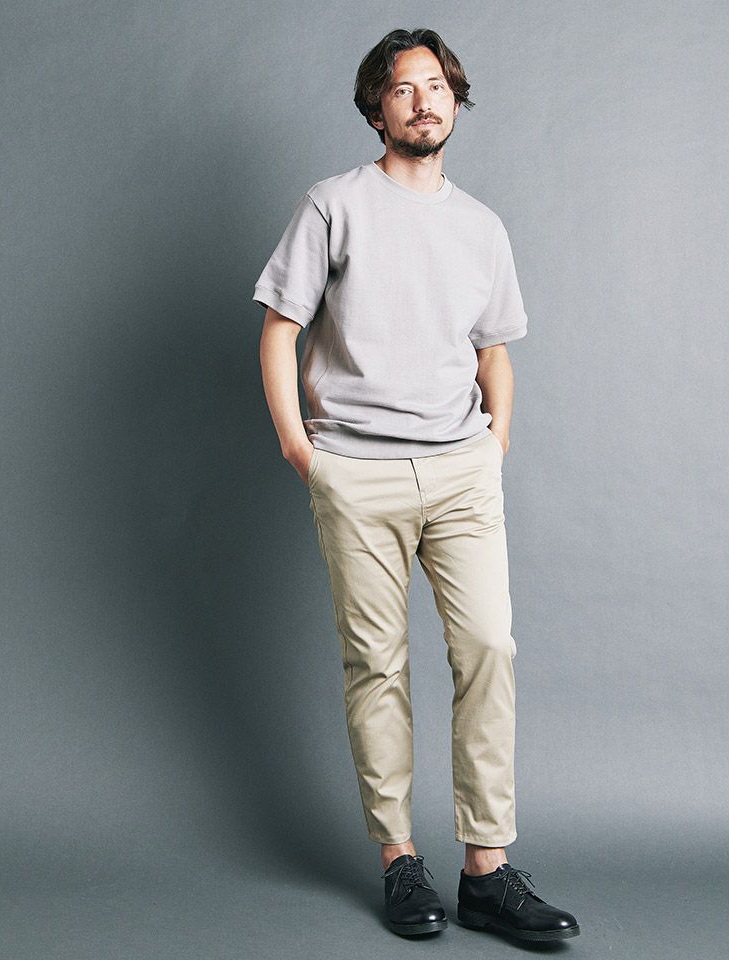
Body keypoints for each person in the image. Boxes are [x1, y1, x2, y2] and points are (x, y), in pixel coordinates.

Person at [254, 27, 580, 943]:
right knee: (377, 665)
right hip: (355, 471)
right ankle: (400, 862)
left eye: (436, 86)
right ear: (377, 110)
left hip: (461, 468)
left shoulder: (481, 226)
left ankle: (488, 871)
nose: (424, 101)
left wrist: (493, 443)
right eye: (404, 89)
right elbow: (280, 329)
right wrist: (301, 451)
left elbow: (494, 351)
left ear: (454, 101)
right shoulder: (333, 206)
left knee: (488, 649)